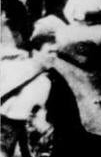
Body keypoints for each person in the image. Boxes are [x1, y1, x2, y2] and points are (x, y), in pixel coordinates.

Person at [0, 28, 58, 157]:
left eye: (56, 52)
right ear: (35, 52)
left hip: (17, 132)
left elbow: (36, 112)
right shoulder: (14, 66)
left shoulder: (45, 82)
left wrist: (47, 130)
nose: (54, 56)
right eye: (49, 52)